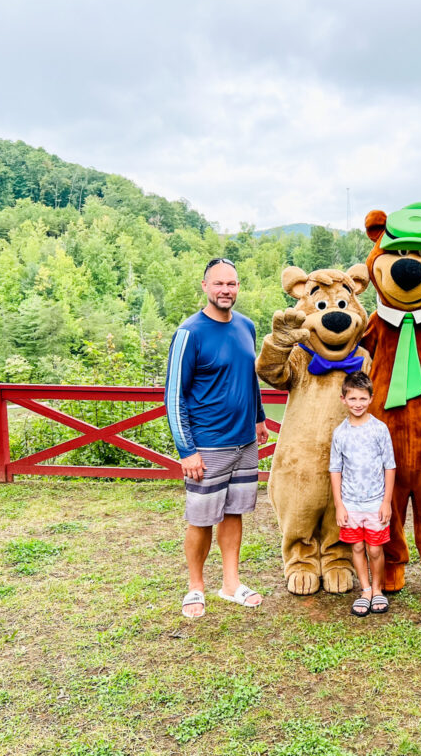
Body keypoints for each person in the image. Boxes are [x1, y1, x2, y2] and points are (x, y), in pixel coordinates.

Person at [165, 257, 269, 618]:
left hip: (244, 442)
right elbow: (174, 394)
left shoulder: (247, 327)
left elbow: (250, 377)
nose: (227, 290)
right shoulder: (189, 333)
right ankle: (195, 587)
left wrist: (258, 417)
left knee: (235, 512)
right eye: (219, 284)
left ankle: (230, 584)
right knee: (201, 518)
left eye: (233, 284)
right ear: (205, 287)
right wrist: (186, 450)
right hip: (207, 444)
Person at [330, 371, 396, 617]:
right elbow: (335, 469)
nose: (357, 404)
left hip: (375, 503)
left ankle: (378, 589)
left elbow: (390, 466)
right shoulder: (340, 433)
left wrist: (386, 502)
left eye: (362, 399)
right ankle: (365, 590)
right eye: (353, 399)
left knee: (375, 549)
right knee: (357, 548)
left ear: (371, 399)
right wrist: (339, 505)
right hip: (350, 503)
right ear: (343, 399)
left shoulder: (380, 430)